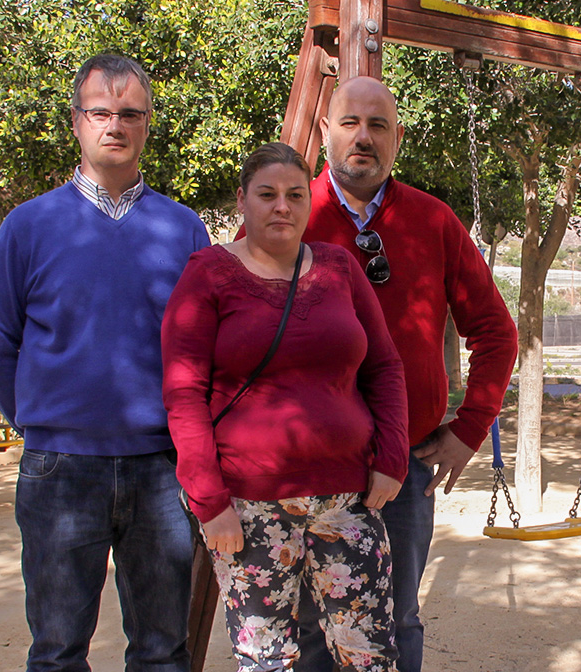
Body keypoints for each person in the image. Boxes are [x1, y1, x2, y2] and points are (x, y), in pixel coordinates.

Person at [241, 77, 519, 671]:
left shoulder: (433, 220)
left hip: (407, 464)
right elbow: (234, 334)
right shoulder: (286, 215)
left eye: (378, 126)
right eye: (349, 123)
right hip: (306, 470)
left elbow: (496, 332)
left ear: (396, 138)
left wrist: (470, 429)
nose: (363, 138)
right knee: (310, 626)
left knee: (396, 620)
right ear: (324, 133)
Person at [0, 54, 210, 672]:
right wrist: (39, 421)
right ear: (76, 122)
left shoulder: (183, 230)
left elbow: (204, 346)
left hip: (161, 468)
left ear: (148, 124)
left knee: (163, 650)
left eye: (130, 113)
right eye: (100, 112)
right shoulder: (28, 227)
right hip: (60, 467)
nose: (115, 125)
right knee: (57, 651)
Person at [162, 142, 410, 672]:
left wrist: (392, 458)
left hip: (348, 499)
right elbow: (184, 392)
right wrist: (209, 500)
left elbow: (384, 367)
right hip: (249, 507)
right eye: (267, 194)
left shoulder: (341, 267)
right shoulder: (207, 274)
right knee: (267, 658)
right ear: (242, 202)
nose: (282, 206)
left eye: (295, 195)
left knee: (370, 653)